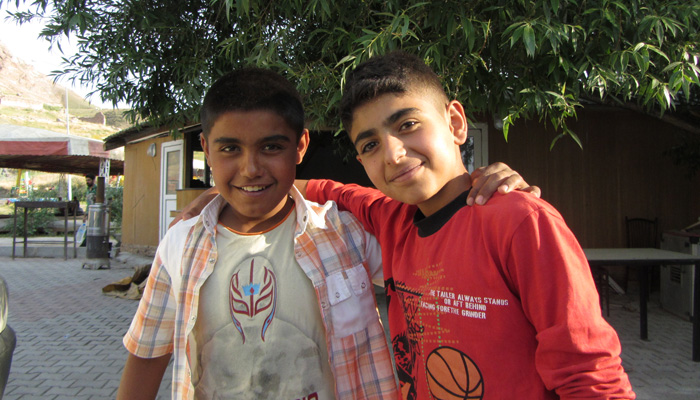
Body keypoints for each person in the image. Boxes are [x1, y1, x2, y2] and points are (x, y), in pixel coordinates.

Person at [120, 68, 537, 400]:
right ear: (207, 149)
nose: (250, 168)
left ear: (300, 146)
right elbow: (147, 353)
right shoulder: (181, 243)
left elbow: (437, 227)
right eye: (230, 149)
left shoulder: (347, 233)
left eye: (271, 147)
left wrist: (481, 186)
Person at [300, 51, 635, 399]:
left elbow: (590, 376)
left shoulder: (520, 222)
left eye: (407, 125)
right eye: (371, 145)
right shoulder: (393, 220)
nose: (392, 155)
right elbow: (329, 189)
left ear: (456, 123)